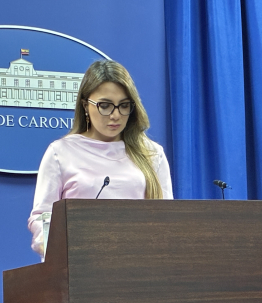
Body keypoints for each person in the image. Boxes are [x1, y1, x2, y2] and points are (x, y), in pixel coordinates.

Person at [28, 60, 173, 259]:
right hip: (79, 265)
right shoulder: (60, 153)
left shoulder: (152, 153)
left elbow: (167, 220)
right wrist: (58, 249)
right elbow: (42, 218)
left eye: (124, 106)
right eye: (105, 106)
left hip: (140, 264)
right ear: (85, 106)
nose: (115, 115)